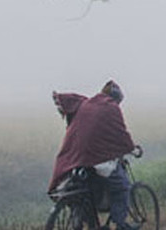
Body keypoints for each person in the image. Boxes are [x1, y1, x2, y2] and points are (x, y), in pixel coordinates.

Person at [49, 80, 140, 230]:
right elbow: (120, 133)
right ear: (116, 98)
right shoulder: (111, 107)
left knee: (85, 191)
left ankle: (88, 221)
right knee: (123, 187)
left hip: (76, 158)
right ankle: (120, 224)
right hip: (97, 158)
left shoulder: (86, 104)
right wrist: (131, 148)